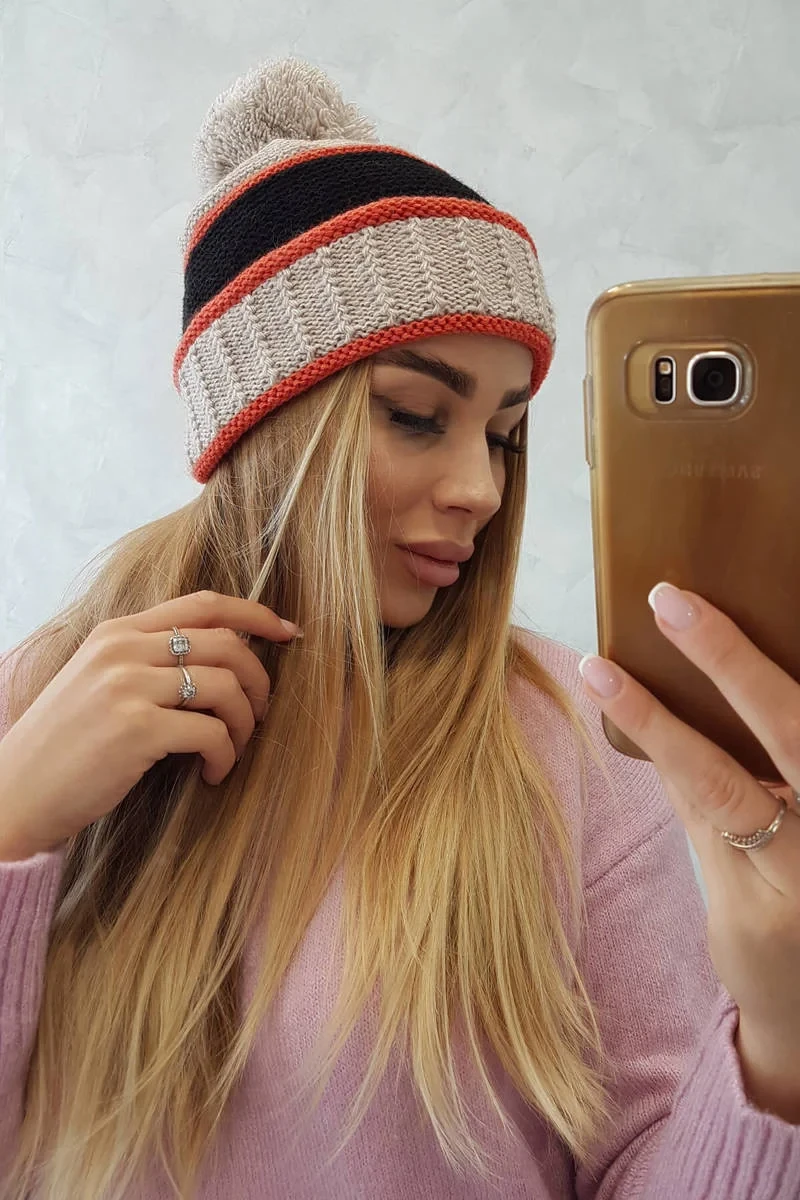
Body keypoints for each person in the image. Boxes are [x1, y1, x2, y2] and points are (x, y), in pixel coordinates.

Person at [0, 58, 798, 1200]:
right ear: (264, 423)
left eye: (505, 437)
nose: (482, 490)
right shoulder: (47, 697)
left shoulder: (569, 748)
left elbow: (646, 1162)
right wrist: (11, 826)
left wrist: (781, 1049)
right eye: (418, 415)